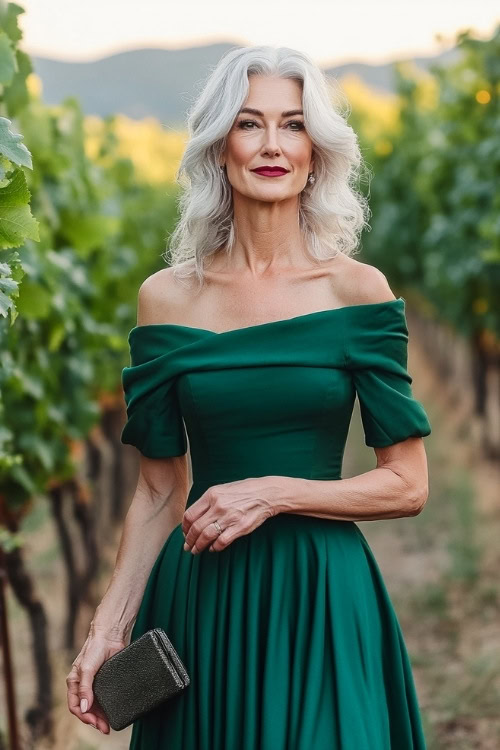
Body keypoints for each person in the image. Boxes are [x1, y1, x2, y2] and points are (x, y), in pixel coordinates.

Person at [67, 45, 432, 748]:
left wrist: (272, 492)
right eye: (248, 123)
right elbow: (155, 493)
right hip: (203, 600)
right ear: (218, 147)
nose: (271, 145)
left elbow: (407, 485)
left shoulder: (357, 291)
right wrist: (106, 628)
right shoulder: (166, 299)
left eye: (292, 125)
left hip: (321, 595)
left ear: (316, 152)